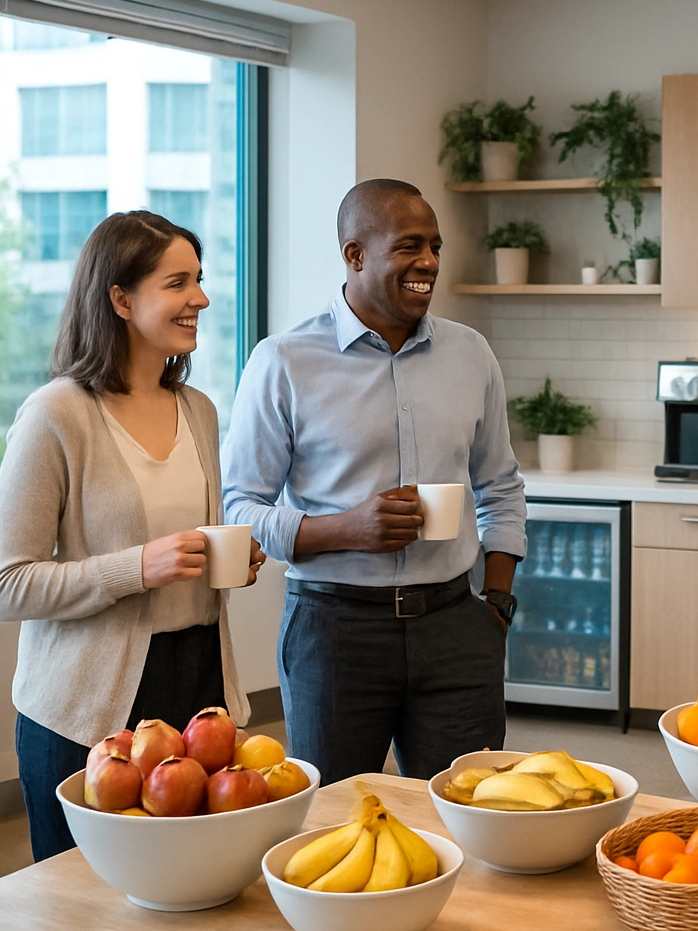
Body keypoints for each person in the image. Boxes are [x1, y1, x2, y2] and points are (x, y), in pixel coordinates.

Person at [222, 178, 526, 787]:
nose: (430, 263)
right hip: (334, 632)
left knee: (469, 814)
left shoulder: (471, 354)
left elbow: (500, 485)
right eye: (410, 246)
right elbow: (239, 511)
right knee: (330, 818)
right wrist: (347, 530)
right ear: (355, 255)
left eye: (436, 247)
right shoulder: (283, 361)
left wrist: (494, 603)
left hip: (455, 625)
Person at [0, 211, 265, 861]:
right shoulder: (56, 413)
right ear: (120, 298)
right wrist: (136, 567)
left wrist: (232, 560)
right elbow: (3, 587)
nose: (201, 299)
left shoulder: (198, 410)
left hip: (198, 695)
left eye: (200, 280)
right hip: (85, 714)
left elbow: (189, 547)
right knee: (80, 908)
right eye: (178, 282)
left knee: (195, 889)